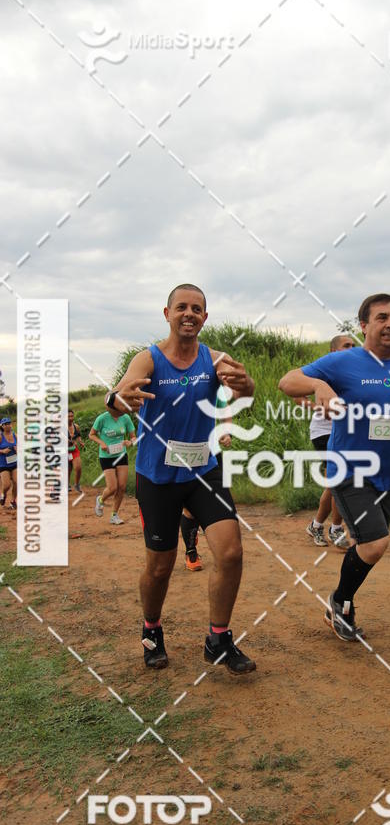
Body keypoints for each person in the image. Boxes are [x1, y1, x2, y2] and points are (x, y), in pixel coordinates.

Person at [279, 293, 390, 641]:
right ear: (364, 326)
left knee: (363, 543)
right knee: (375, 544)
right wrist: (318, 384)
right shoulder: (343, 362)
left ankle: (340, 604)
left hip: (387, 475)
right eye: (382, 318)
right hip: (348, 469)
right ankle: (340, 601)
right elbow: (287, 381)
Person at [105, 283, 256, 674]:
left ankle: (218, 639)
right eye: (182, 307)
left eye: (197, 309)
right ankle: (151, 628)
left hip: (204, 470)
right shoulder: (149, 360)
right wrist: (120, 400)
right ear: (167, 313)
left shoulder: (216, 358)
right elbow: (120, 396)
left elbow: (245, 388)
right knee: (160, 566)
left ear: (205, 318)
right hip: (158, 477)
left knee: (231, 553)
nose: (189, 314)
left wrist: (244, 385)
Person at [305, 335, 355, 550]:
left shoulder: (355, 372)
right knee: (338, 481)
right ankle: (334, 528)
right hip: (324, 433)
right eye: (347, 346)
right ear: (334, 350)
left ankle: (318, 525)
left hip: (344, 433)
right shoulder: (326, 370)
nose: (351, 349)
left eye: (354, 345)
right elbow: (296, 394)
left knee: (335, 483)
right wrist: (318, 407)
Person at [180, 386, 233, 571]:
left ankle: (220, 549)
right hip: (182, 454)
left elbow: (225, 411)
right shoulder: (171, 384)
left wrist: (226, 432)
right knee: (189, 509)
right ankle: (191, 551)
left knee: (218, 503)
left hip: (211, 454)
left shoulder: (211, 385)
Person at [89, 408, 136, 525]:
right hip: (106, 456)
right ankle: (100, 500)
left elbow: (133, 437)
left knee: (122, 487)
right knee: (112, 487)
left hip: (121, 455)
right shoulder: (102, 418)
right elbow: (92, 435)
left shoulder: (125, 417)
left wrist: (130, 442)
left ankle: (114, 515)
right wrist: (102, 443)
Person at [0, 416, 18, 509]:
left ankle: (13, 501)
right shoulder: (0, 436)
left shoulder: (15, 435)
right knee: (7, 485)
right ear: (2, 426)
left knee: (17, 482)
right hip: (3, 464)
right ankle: (3, 494)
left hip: (14, 463)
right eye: (5, 424)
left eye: (9, 423)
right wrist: (2, 451)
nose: (8, 426)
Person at [68, 409, 84, 492]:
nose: (71, 418)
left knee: (78, 467)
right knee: (68, 469)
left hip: (74, 449)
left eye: (72, 416)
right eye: (68, 416)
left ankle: (77, 484)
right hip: (64, 451)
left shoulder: (76, 426)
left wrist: (80, 441)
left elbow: (78, 435)